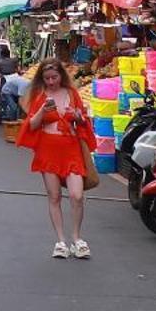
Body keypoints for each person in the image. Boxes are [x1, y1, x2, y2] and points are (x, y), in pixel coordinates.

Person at [16, 58, 97, 259]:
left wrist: (77, 116)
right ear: (42, 79)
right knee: (54, 197)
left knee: (77, 195)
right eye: (47, 78)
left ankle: (77, 238)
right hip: (48, 150)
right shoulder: (40, 96)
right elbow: (32, 125)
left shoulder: (72, 94)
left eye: (54, 77)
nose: (51, 81)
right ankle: (61, 241)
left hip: (71, 148)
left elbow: (83, 121)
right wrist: (43, 111)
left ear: (61, 75)